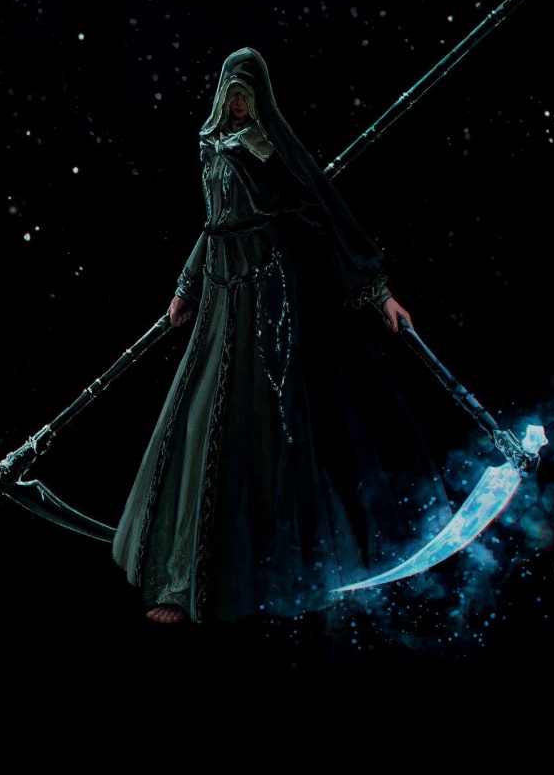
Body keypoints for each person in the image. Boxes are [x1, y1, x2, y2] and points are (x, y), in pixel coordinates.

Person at [113, 47, 450, 624]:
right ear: (222, 94)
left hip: (267, 295)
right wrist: (186, 287)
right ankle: (183, 577)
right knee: (197, 422)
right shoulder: (211, 146)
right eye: (232, 91)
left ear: (259, 95)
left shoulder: (267, 150)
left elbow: (324, 216)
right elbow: (212, 225)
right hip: (220, 294)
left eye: (247, 92)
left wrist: (378, 294)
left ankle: (271, 574)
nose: (239, 101)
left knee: (267, 427)